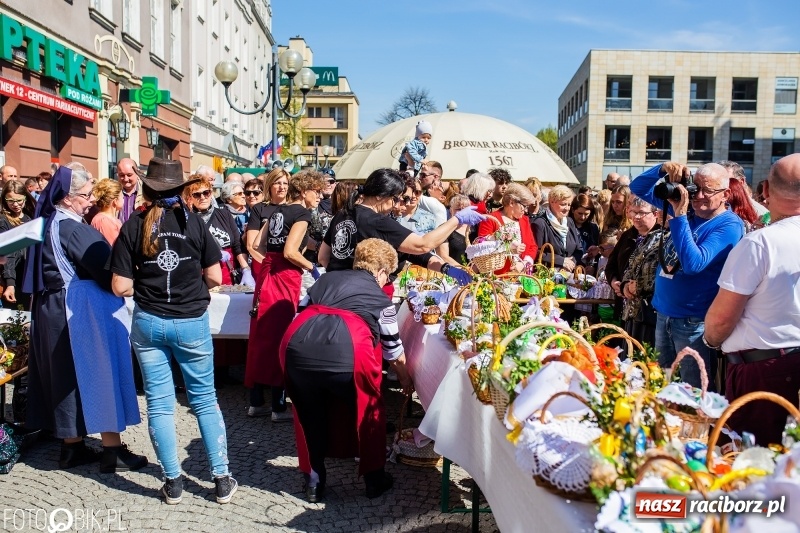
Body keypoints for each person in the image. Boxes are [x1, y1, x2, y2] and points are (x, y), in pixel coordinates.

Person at [110, 158, 236, 504]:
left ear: (146, 189)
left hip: (149, 321)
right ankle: (222, 479)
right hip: (191, 320)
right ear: (181, 189)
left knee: (160, 404)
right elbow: (215, 277)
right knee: (205, 400)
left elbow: (120, 285)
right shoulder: (195, 223)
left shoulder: (133, 225)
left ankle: (172, 482)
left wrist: (147, 287)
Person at [23, 166, 145, 473]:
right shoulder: (73, 228)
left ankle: (72, 447)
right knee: (100, 372)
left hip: (49, 307)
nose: (91, 200)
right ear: (66, 198)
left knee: (64, 377)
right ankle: (112, 449)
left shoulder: (45, 222)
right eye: (85, 195)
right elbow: (105, 271)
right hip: (77, 310)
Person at [281, 238, 410, 502]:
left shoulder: (324, 281)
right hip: (347, 349)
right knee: (369, 410)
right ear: (382, 271)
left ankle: (314, 481)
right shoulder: (380, 297)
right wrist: (407, 379)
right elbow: (393, 349)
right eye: (389, 275)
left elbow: (299, 312)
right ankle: (374, 479)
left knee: (309, 414)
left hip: (298, 346)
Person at [704, 154, 800, 445]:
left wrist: (710, 340)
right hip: (778, 364)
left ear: (766, 191)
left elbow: (720, 320)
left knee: (752, 470)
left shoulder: (760, 243)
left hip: (764, 373)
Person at [630, 162, 745, 388]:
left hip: (694, 322)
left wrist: (680, 216)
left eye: (708, 191)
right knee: (661, 385)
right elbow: (638, 187)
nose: (698, 196)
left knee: (694, 393)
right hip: (664, 315)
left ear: (726, 194)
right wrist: (663, 169)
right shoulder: (687, 209)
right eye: (695, 188)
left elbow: (694, 264)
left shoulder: (729, 225)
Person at [246, 171, 326, 421]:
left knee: (262, 337)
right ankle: (278, 407)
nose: (320, 196)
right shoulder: (301, 214)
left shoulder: (276, 210)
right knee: (281, 339)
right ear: (304, 191)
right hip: (285, 277)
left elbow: (257, 245)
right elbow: (291, 251)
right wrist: (313, 268)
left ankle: (256, 402)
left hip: (268, 274)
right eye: (317, 191)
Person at [318, 169, 480, 290]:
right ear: (380, 195)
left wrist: (445, 268)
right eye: (395, 199)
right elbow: (422, 245)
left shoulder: (343, 213)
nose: (397, 205)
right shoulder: (377, 221)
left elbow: (323, 256)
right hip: (358, 293)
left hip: (329, 287)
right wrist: (456, 219)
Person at [183, 179, 253, 287]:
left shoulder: (224, 214)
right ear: (189, 197)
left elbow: (237, 245)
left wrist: (246, 269)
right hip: (201, 278)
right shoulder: (187, 219)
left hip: (229, 275)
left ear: (211, 194)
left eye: (206, 193)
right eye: (197, 194)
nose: (203, 197)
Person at [619, 203, 664, 345]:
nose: (637, 217)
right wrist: (625, 285)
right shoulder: (650, 237)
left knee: (647, 358)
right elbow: (631, 265)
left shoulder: (667, 237)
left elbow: (662, 272)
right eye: (634, 212)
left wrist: (639, 287)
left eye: (642, 213)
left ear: (655, 214)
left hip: (651, 311)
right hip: (634, 310)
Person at [476, 184, 538, 274]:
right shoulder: (490, 219)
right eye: (524, 206)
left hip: (521, 275)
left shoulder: (524, 220)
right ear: (511, 202)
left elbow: (532, 246)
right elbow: (482, 246)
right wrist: (509, 247)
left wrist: (524, 263)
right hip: (497, 276)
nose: (526, 211)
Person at [245, 168, 290, 278]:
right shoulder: (259, 208)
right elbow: (251, 245)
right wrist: (268, 264)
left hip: (287, 266)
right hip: (263, 264)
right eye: (277, 183)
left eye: (285, 183)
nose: (282, 187)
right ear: (269, 184)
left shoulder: (294, 209)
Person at [0, 180, 35, 308]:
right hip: (13, 282)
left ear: (25, 198)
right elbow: (7, 253)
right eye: (10, 201)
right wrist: (10, 283)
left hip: (30, 280)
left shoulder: (30, 218)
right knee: (15, 323)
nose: (15, 204)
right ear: (4, 200)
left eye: (19, 200)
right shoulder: (3, 220)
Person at [532, 185, 582, 272]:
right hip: (547, 276)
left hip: (569, 273)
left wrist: (571, 262)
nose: (567, 208)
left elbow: (579, 249)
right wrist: (561, 261)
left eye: (569, 205)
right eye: (563, 204)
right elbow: (536, 251)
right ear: (551, 202)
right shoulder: (540, 223)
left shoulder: (569, 221)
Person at [437, 194, 471, 267]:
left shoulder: (474, 228)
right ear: (451, 210)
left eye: (465, 209)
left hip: (475, 274)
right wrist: (464, 270)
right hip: (453, 273)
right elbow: (443, 256)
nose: (462, 212)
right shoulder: (444, 229)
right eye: (458, 209)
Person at [90, 179, 124, 246]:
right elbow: (114, 248)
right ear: (115, 201)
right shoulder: (103, 221)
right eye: (122, 197)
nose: (123, 199)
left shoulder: (112, 219)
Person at [570, 193, 601, 257]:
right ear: (573, 210)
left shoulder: (593, 228)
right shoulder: (566, 226)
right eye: (580, 213)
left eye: (586, 214)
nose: (583, 217)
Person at [116, 158, 143, 223]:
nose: (125, 179)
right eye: (122, 175)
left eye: (129, 175)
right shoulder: (113, 192)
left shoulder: (146, 192)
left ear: (137, 173)